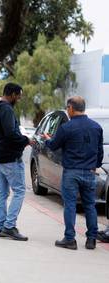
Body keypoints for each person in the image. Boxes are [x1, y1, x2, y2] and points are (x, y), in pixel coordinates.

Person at [42, 96, 102, 250]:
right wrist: (95, 165)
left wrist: (48, 139)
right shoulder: (96, 127)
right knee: (90, 205)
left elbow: (54, 146)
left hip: (71, 172)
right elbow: (99, 152)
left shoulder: (66, 128)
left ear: (71, 108)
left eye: (67, 108)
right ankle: (91, 240)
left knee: (70, 205)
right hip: (89, 172)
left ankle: (70, 239)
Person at [0, 83, 33, 241]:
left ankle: (0, 227)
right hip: (10, 158)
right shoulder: (7, 110)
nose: (20, 99)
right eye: (19, 95)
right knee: (20, 191)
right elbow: (10, 134)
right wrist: (26, 140)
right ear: (12, 94)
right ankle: (9, 227)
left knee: (2, 193)